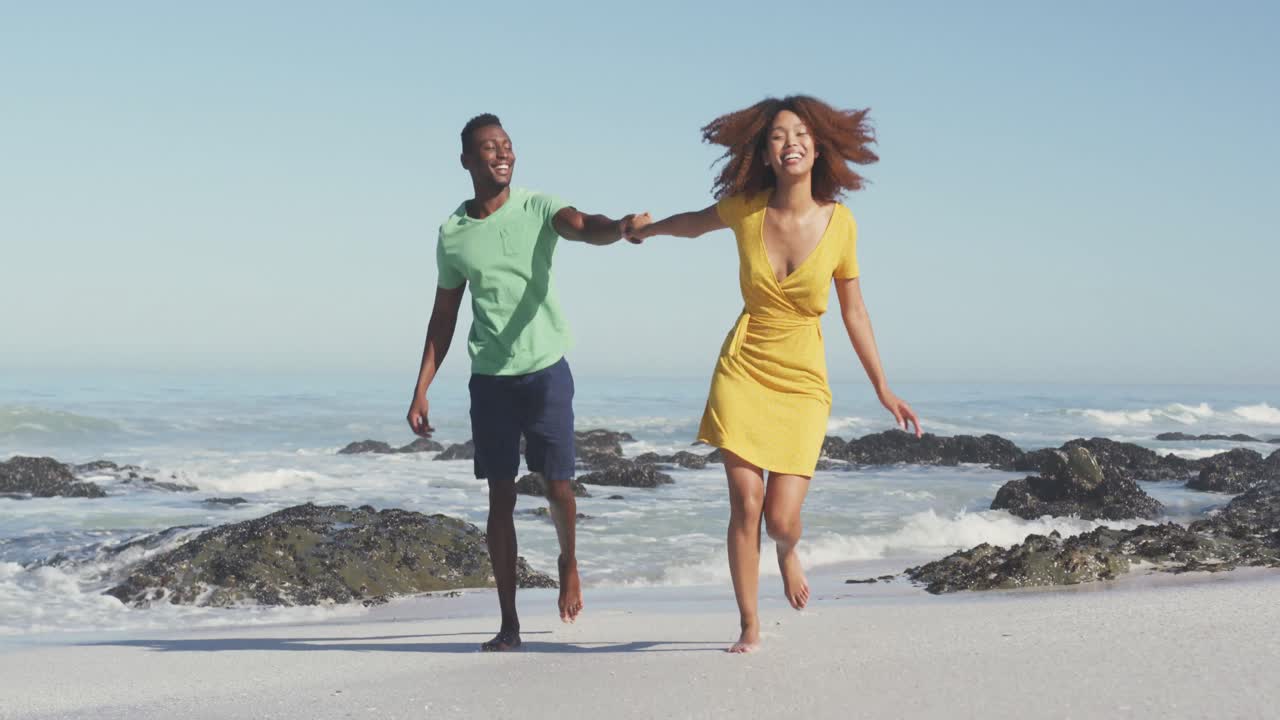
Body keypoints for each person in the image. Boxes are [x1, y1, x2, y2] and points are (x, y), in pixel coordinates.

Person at [627, 96, 921, 653]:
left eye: (802, 133)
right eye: (780, 136)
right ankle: (749, 625)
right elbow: (694, 224)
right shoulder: (748, 208)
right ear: (764, 151)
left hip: (803, 381)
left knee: (782, 520)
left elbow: (854, 312)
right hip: (743, 368)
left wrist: (884, 387)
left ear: (819, 147)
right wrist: (649, 230)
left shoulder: (841, 224)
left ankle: (787, 551)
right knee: (746, 503)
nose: (792, 143)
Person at [406, 113, 645, 652]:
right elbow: (443, 318)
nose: (502, 154)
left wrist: (622, 226)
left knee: (558, 485)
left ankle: (568, 560)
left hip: (545, 372)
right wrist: (421, 386)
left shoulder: (538, 207)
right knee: (500, 498)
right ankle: (509, 623)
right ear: (467, 160)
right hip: (490, 381)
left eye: (507, 146)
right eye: (489, 148)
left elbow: (585, 225)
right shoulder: (454, 234)